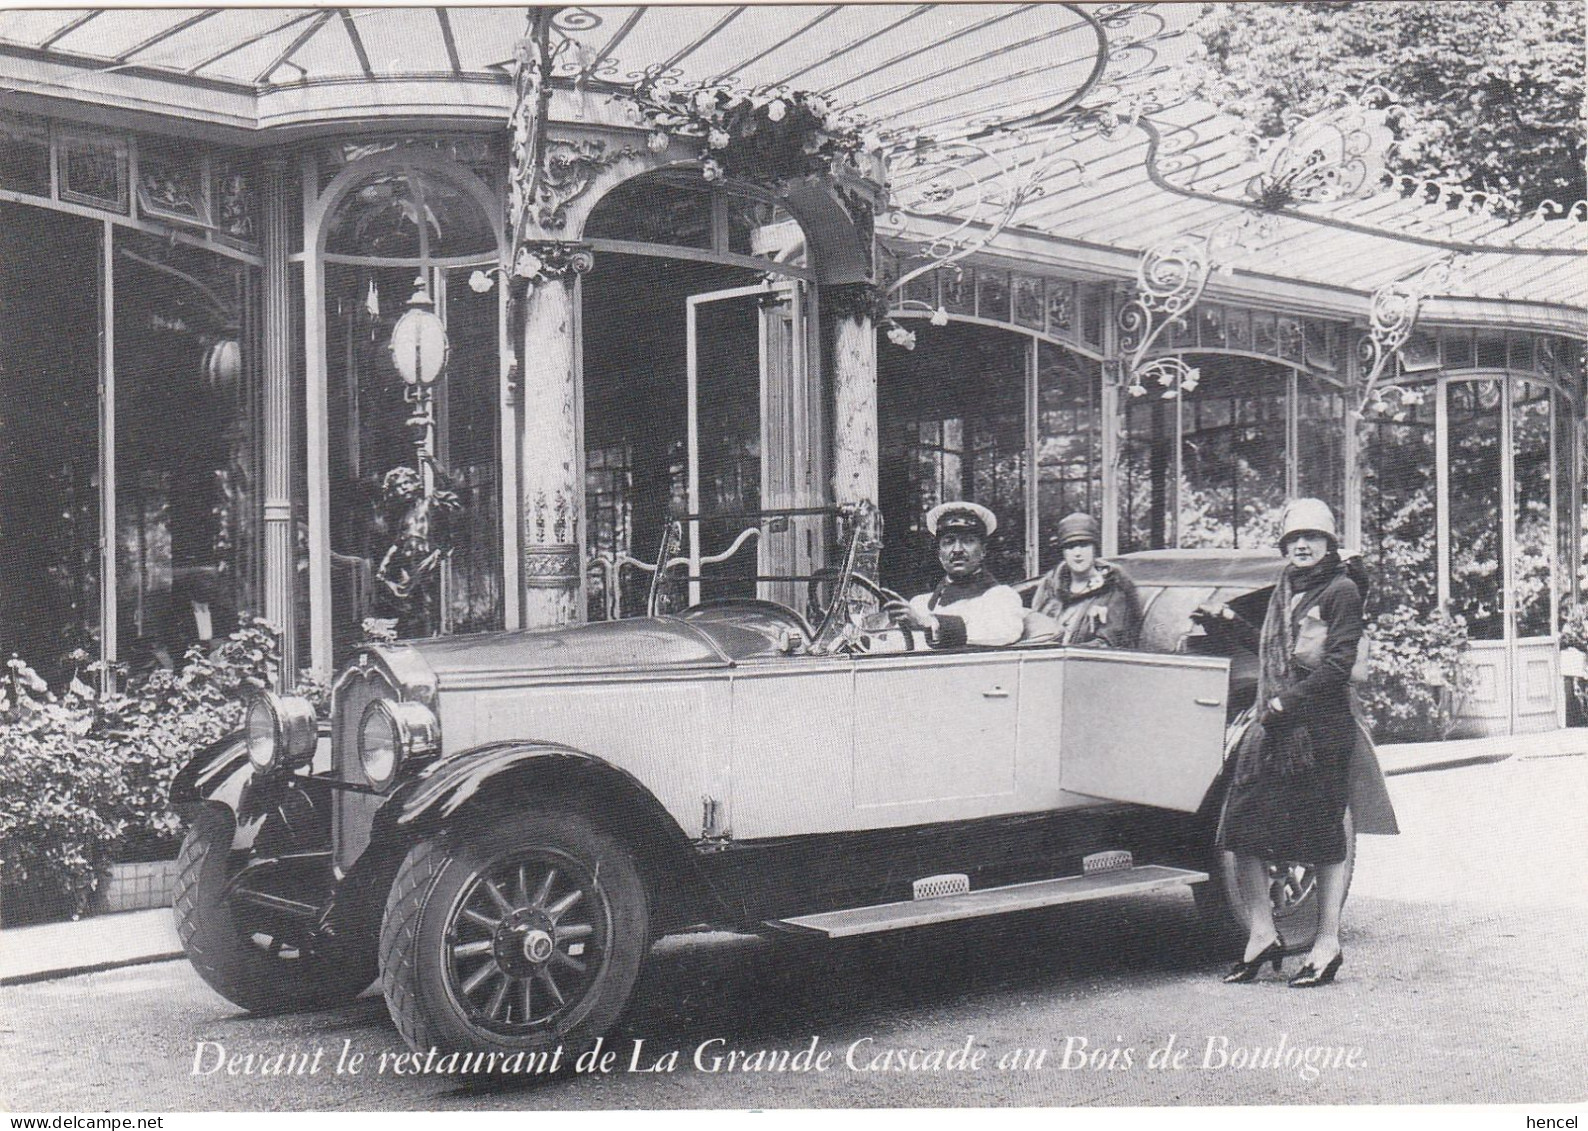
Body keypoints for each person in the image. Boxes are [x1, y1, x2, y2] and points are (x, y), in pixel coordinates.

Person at [1214, 498, 1369, 988]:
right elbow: (1278, 646)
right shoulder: (1284, 588)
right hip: (1276, 729)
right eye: (1293, 539)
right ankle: (1262, 934)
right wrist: (1228, 622)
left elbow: (1338, 664)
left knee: (1323, 840)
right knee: (1240, 828)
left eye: (1312, 538)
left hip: (1319, 731)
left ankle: (1327, 944)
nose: (1301, 545)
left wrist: (1286, 704)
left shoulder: (1341, 590)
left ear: (1328, 544)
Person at [884, 501, 1024, 648]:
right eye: (949, 541)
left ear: (983, 551)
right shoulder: (920, 604)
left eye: (968, 541)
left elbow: (1001, 634)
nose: (957, 549)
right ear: (939, 553)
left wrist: (927, 623)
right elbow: (894, 647)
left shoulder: (1001, 597)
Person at [1028, 512, 1142, 648]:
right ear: (1063, 552)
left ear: (1095, 549)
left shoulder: (1114, 588)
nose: (1077, 553)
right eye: (1070, 547)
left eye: (1084, 545)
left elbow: (1110, 643)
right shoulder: (1050, 588)